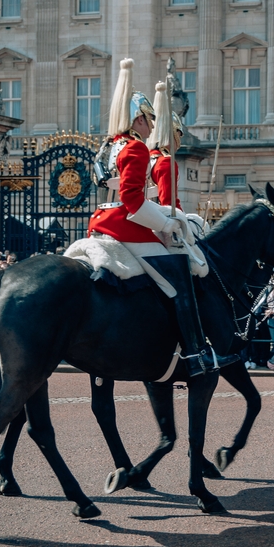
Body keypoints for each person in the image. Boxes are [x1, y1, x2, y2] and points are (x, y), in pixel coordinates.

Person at [88, 58, 234, 377]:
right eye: (149, 120)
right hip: (127, 224)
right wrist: (170, 223)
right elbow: (134, 200)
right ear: (138, 118)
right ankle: (194, 353)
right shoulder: (140, 150)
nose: (153, 127)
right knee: (183, 275)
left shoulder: (111, 147)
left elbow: (116, 186)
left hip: (103, 220)